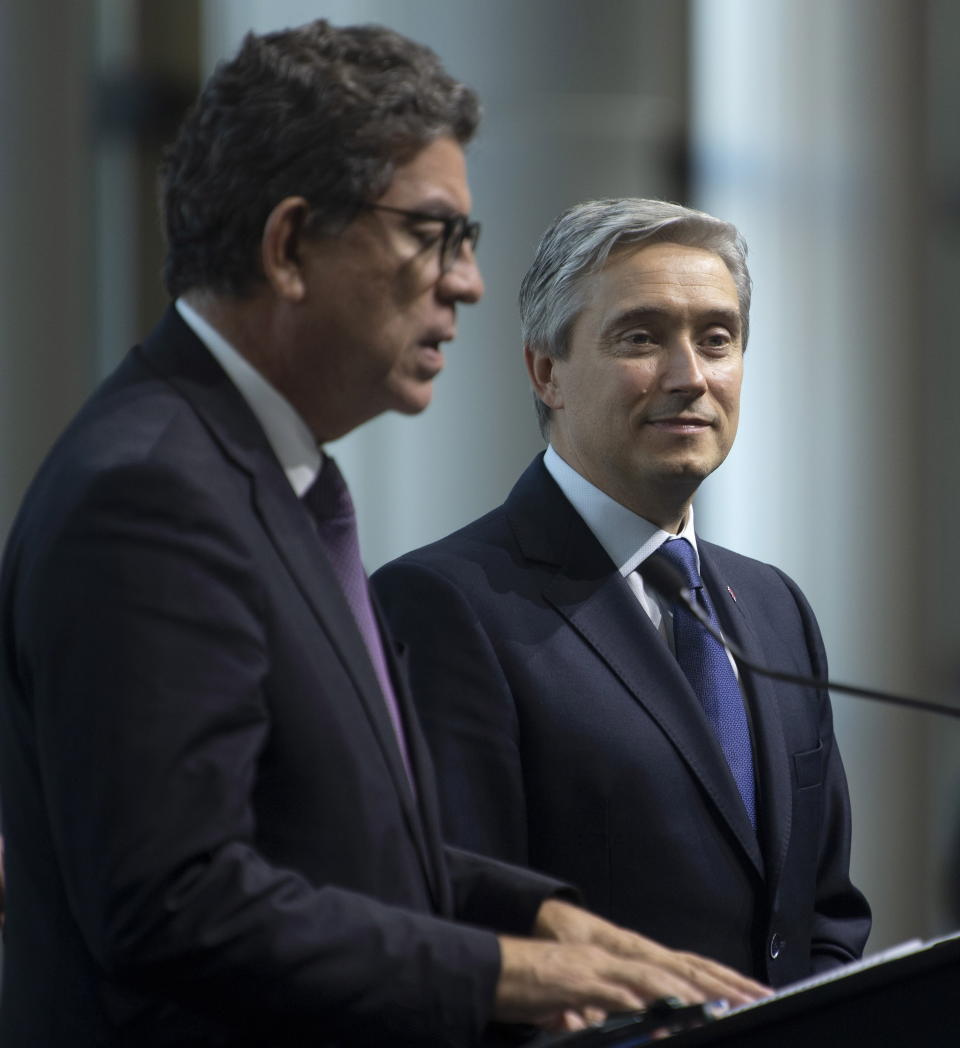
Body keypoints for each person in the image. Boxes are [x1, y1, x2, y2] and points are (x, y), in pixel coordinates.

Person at [0, 28, 765, 1048]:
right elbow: (175, 901)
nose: (469, 282)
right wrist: (503, 969)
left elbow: (333, 843)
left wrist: (534, 915)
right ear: (289, 247)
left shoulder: (268, 475)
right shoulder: (151, 491)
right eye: (433, 233)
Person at [373, 198, 872, 988]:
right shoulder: (443, 604)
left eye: (718, 339)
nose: (690, 376)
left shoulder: (774, 608)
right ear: (547, 371)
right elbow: (462, 917)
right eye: (641, 338)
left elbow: (827, 915)